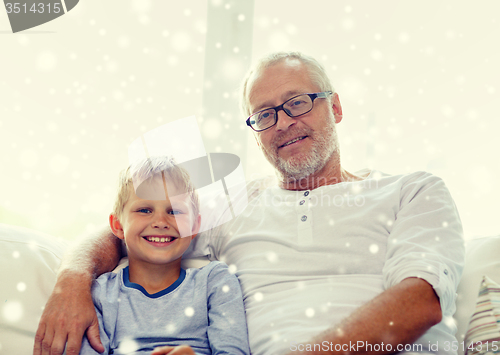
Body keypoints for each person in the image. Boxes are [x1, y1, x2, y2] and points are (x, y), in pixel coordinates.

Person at [34, 52, 464, 355]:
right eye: (264, 115)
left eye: (297, 102)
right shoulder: (233, 208)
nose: (283, 123)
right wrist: (72, 280)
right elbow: (136, 231)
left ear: (334, 106)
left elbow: (420, 299)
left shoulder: (413, 190)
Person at [78, 156, 250, 355]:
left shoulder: (215, 282)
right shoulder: (101, 294)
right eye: (144, 210)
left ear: (194, 226)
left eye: (174, 211)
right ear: (118, 225)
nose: (160, 221)